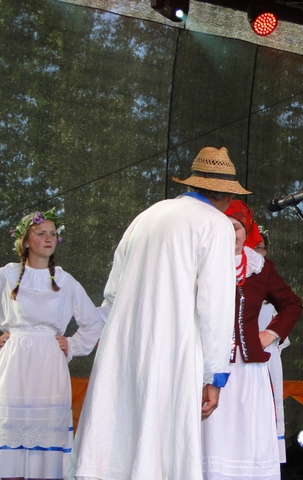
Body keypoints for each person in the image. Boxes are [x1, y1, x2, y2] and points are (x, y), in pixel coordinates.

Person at [67, 146, 246, 480]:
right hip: (172, 344)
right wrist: (215, 376)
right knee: (162, 438)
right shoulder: (216, 224)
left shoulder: (147, 215)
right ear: (225, 195)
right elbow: (215, 304)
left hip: (124, 342)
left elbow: (112, 290)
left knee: (118, 433)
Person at [202, 200, 303, 480]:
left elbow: (292, 305)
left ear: (247, 230)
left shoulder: (260, 268)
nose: (230, 232)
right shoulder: (200, 262)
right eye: (223, 226)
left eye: (236, 227)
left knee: (246, 435)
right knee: (209, 435)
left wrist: (270, 334)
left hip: (248, 369)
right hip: (206, 364)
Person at [0, 208, 103, 480]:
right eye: (41, 233)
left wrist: (71, 345)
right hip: (14, 363)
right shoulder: (7, 276)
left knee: (46, 441)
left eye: (53, 234)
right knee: (10, 434)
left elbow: (93, 323)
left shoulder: (65, 281)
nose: (49, 239)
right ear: (25, 240)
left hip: (49, 364)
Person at [254, 228, 292, 463]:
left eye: (261, 247)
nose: (257, 252)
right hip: (233, 356)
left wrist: (271, 334)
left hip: (267, 358)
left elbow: (292, 307)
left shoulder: (272, 284)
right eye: (253, 247)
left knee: (266, 416)